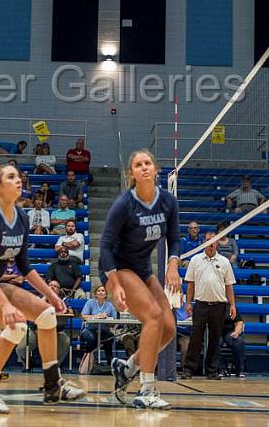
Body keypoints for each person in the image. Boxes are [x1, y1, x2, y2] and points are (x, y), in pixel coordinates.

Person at [0, 164, 84, 413]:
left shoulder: (21, 216)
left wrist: (51, 294)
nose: (19, 180)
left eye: (19, 176)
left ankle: (52, 384)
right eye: (11, 177)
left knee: (46, 315)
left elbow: (24, 265)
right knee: (17, 324)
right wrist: (4, 305)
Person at [100, 149, 181, 409]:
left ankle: (128, 368)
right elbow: (104, 247)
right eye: (138, 165)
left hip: (143, 268)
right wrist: (114, 283)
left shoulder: (168, 201)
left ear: (156, 169)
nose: (144, 167)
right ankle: (147, 389)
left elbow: (175, 239)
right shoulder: (124, 204)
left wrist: (172, 265)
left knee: (168, 328)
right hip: (118, 267)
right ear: (132, 174)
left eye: (148, 163)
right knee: (153, 317)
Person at [179, 232, 236, 380]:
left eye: (214, 241)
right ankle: (188, 369)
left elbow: (229, 285)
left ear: (217, 243)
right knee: (196, 338)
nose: (211, 244)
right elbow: (190, 284)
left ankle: (212, 371)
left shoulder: (224, 261)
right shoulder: (195, 260)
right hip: (200, 305)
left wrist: (232, 305)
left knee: (215, 338)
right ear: (204, 243)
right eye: (208, 241)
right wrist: (188, 303)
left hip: (219, 306)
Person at [78, 284, 116, 362]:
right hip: (89, 329)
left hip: (103, 330)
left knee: (110, 337)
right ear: (95, 294)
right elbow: (83, 316)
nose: (101, 292)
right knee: (92, 338)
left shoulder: (110, 305)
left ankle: (109, 361)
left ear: (106, 294)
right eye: (99, 291)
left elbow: (113, 323)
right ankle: (87, 360)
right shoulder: (90, 302)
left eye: (103, 291)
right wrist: (97, 316)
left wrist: (107, 319)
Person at [220, 308, 247, 378]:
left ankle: (239, 369)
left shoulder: (231, 307)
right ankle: (221, 369)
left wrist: (236, 332)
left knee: (238, 341)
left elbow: (239, 322)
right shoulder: (211, 307)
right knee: (214, 343)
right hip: (216, 332)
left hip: (230, 331)